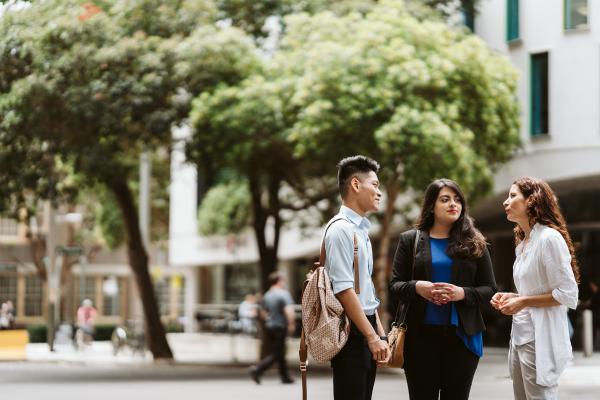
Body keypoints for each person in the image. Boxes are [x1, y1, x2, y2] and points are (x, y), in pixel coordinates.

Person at [389, 178, 497, 400]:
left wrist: (463, 293)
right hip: (420, 338)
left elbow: (489, 288)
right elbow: (395, 285)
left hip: (462, 339)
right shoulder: (410, 240)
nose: (453, 204)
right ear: (431, 206)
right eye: (445, 199)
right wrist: (418, 287)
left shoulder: (474, 241)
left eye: (457, 200)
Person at [490, 177, 579, 399]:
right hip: (519, 335)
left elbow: (568, 294)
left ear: (531, 200)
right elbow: (533, 291)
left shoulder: (549, 238)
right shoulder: (524, 243)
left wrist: (523, 301)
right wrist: (512, 297)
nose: (505, 202)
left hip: (539, 339)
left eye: (512, 196)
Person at [324, 155, 389, 400]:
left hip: (365, 324)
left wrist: (379, 332)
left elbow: (366, 289)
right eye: (375, 184)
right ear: (355, 184)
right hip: (350, 329)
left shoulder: (360, 230)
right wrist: (371, 336)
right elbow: (343, 289)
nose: (379, 192)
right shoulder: (340, 229)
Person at [250, 272, 295, 384]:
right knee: (278, 353)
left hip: (270, 326)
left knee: (279, 352)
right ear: (279, 281)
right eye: (283, 280)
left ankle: (285, 377)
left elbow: (262, 311)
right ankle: (258, 369)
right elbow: (289, 311)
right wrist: (291, 324)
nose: (284, 282)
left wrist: (269, 319)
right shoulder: (283, 294)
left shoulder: (267, 295)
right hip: (280, 326)